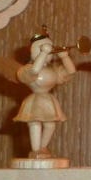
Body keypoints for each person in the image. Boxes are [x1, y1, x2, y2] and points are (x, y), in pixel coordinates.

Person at [13, 30, 78, 159]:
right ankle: (35, 149)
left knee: (50, 125)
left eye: (49, 47)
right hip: (35, 100)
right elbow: (34, 71)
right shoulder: (25, 69)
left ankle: (43, 147)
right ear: (32, 51)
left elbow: (71, 72)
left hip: (48, 100)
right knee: (35, 123)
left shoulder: (52, 70)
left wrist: (65, 57)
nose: (48, 50)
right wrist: (43, 53)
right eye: (41, 47)